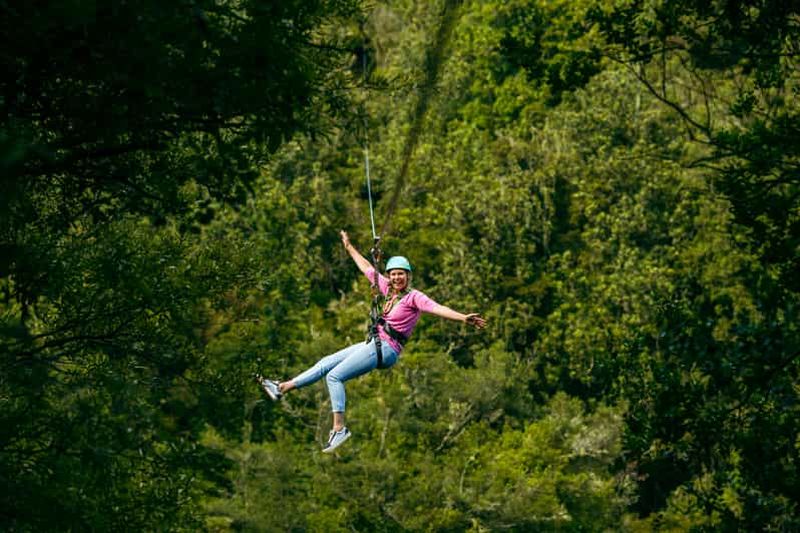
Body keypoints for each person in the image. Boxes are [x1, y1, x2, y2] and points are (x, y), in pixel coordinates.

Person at [257, 230, 487, 453]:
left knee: (334, 376)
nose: (397, 278)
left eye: (401, 274)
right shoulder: (386, 289)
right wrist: (349, 247)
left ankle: (339, 429)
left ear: (408, 276)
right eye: (393, 273)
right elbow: (366, 266)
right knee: (327, 363)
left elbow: (437, 308)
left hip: (387, 350)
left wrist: (463, 318)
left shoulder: (414, 297)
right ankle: (283, 387)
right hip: (374, 343)